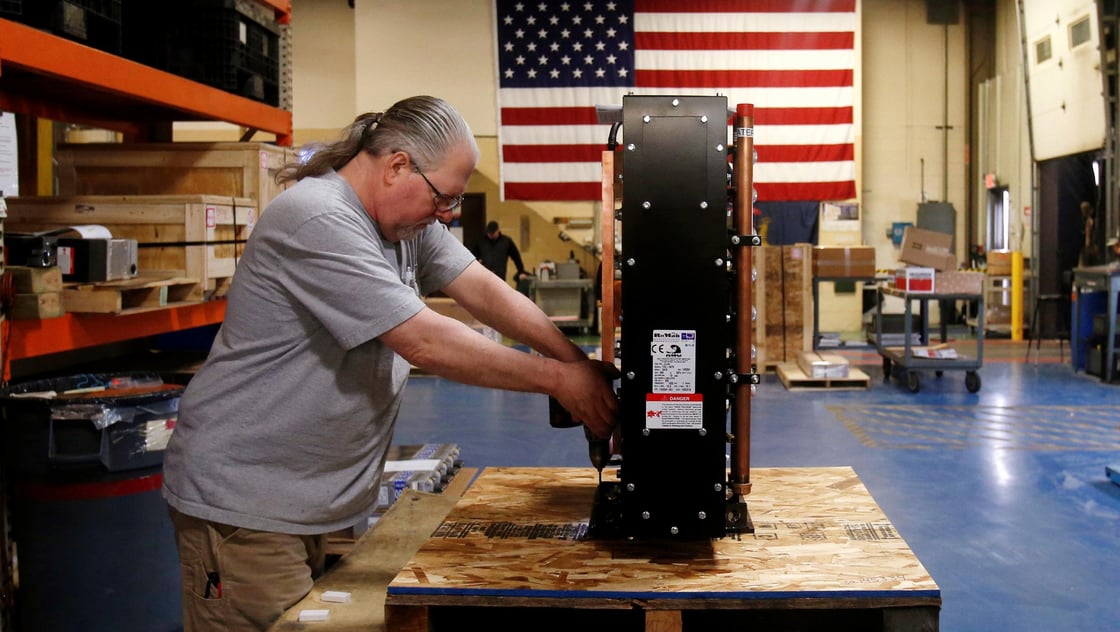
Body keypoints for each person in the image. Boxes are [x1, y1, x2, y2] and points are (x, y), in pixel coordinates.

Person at [161, 96, 619, 631]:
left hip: (313, 499)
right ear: (398, 165)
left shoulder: (403, 224)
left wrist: (578, 363)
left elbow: (483, 290)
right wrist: (559, 380)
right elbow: (424, 340)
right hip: (245, 504)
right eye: (444, 198)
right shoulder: (318, 217)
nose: (447, 214)